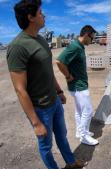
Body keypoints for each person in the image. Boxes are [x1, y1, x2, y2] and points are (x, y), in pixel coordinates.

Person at [6, 1, 87, 169]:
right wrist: (36, 123)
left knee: (63, 136)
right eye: (41, 12)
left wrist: (59, 91)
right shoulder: (17, 47)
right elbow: (20, 89)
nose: (44, 15)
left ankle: (71, 163)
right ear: (31, 17)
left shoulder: (41, 40)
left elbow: (47, 71)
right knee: (46, 146)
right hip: (40, 108)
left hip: (54, 101)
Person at [56, 25, 99, 146]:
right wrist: (68, 76)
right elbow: (59, 61)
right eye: (92, 38)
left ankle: (79, 132)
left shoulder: (80, 46)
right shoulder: (74, 46)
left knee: (79, 110)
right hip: (78, 86)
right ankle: (84, 136)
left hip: (78, 85)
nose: (92, 41)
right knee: (88, 110)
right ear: (86, 35)